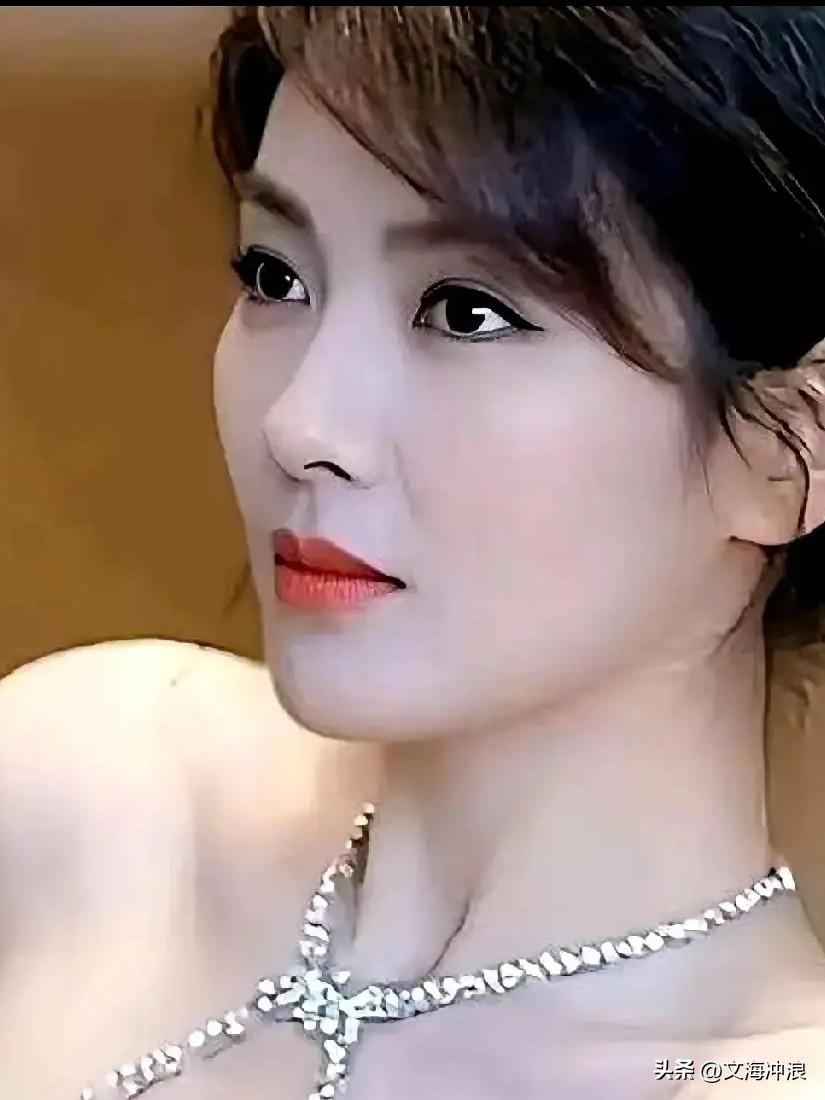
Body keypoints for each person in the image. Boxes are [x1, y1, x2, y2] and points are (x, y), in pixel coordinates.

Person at [4, 5, 825, 1097]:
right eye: (274, 276)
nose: (301, 422)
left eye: (466, 311)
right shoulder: (91, 806)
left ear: (786, 447)